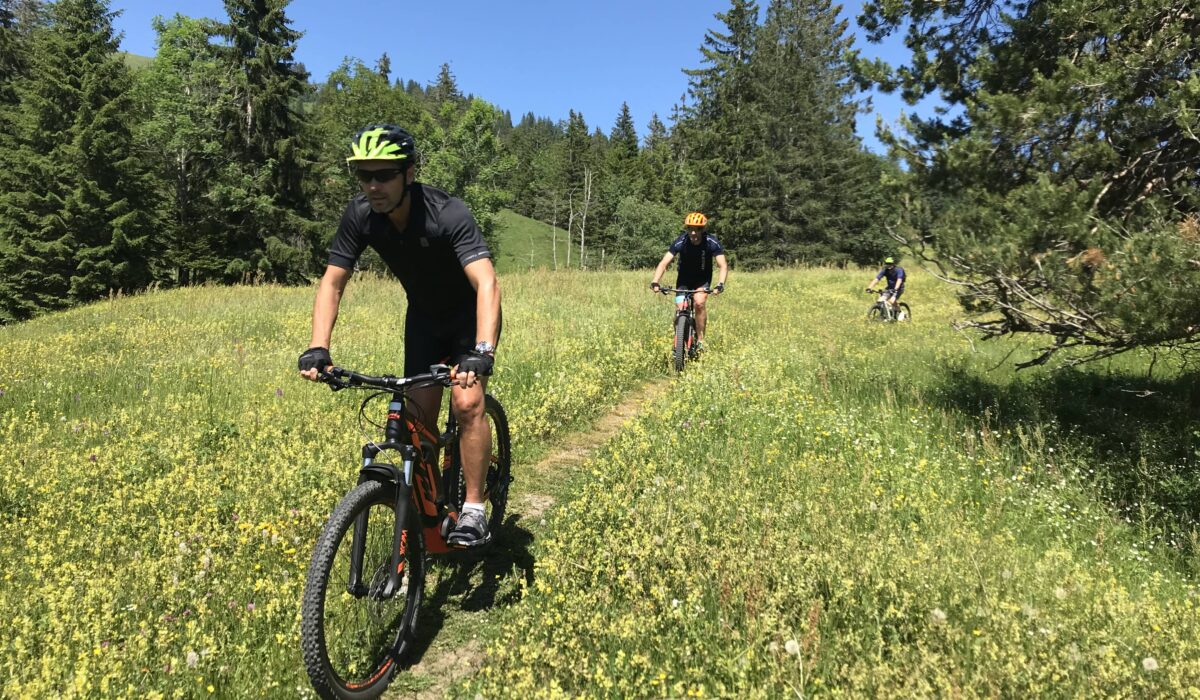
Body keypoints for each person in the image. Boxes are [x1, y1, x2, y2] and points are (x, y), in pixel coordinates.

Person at [297, 124, 501, 548]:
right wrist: (318, 347)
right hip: (424, 319)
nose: (373, 186)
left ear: (408, 174)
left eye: (384, 175)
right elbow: (332, 282)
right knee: (418, 421)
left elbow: (486, 282)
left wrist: (482, 351)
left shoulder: (447, 213)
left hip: (467, 319)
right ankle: (432, 514)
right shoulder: (360, 216)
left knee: (467, 403)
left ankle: (474, 509)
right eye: (364, 175)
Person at [649, 212, 728, 350]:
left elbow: (723, 265)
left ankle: (700, 340)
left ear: (703, 230)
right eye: (690, 229)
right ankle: (679, 341)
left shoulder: (711, 242)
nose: (693, 233)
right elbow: (663, 263)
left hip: (702, 279)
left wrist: (720, 284)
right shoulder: (681, 241)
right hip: (684, 279)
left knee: (699, 303)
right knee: (680, 309)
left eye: (697, 229)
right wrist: (655, 281)